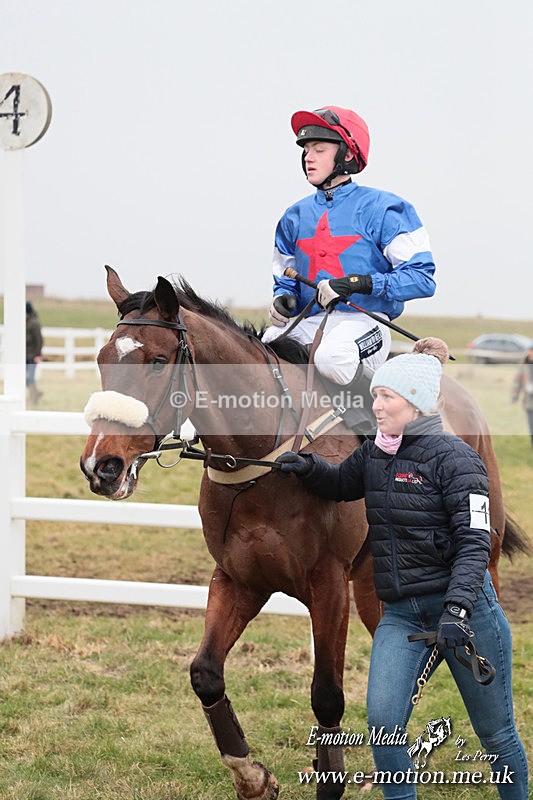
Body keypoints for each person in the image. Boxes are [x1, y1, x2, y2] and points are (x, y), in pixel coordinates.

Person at [276, 338, 528, 799]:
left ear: (413, 403)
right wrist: (308, 469)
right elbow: (343, 482)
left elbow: (475, 543)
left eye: (385, 396)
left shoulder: (458, 459)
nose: (375, 404)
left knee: (496, 734)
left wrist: (457, 610)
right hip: (402, 617)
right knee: (384, 727)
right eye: (376, 395)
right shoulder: (377, 452)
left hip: (467, 615)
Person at [262, 105, 436, 388]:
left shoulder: (386, 209)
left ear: (347, 154)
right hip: (312, 322)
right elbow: (285, 280)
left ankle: (379, 412)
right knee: (261, 350)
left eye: (319, 150)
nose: (308, 157)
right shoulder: (293, 217)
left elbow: (422, 279)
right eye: (306, 150)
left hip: (368, 322)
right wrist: (284, 300)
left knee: (333, 357)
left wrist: (357, 283)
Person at [511, 346, 533, 446]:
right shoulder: (524, 366)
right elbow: (518, 382)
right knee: (531, 424)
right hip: (529, 402)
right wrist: (514, 396)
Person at [26, 301, 43, 405]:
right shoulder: (25, 322)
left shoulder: (34, 323)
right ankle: (36, 392)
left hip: (32, 356)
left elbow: (39, 340)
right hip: (25, 356)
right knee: (26, 378)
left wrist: (37, 355)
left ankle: (33, 399)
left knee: (30, 378)